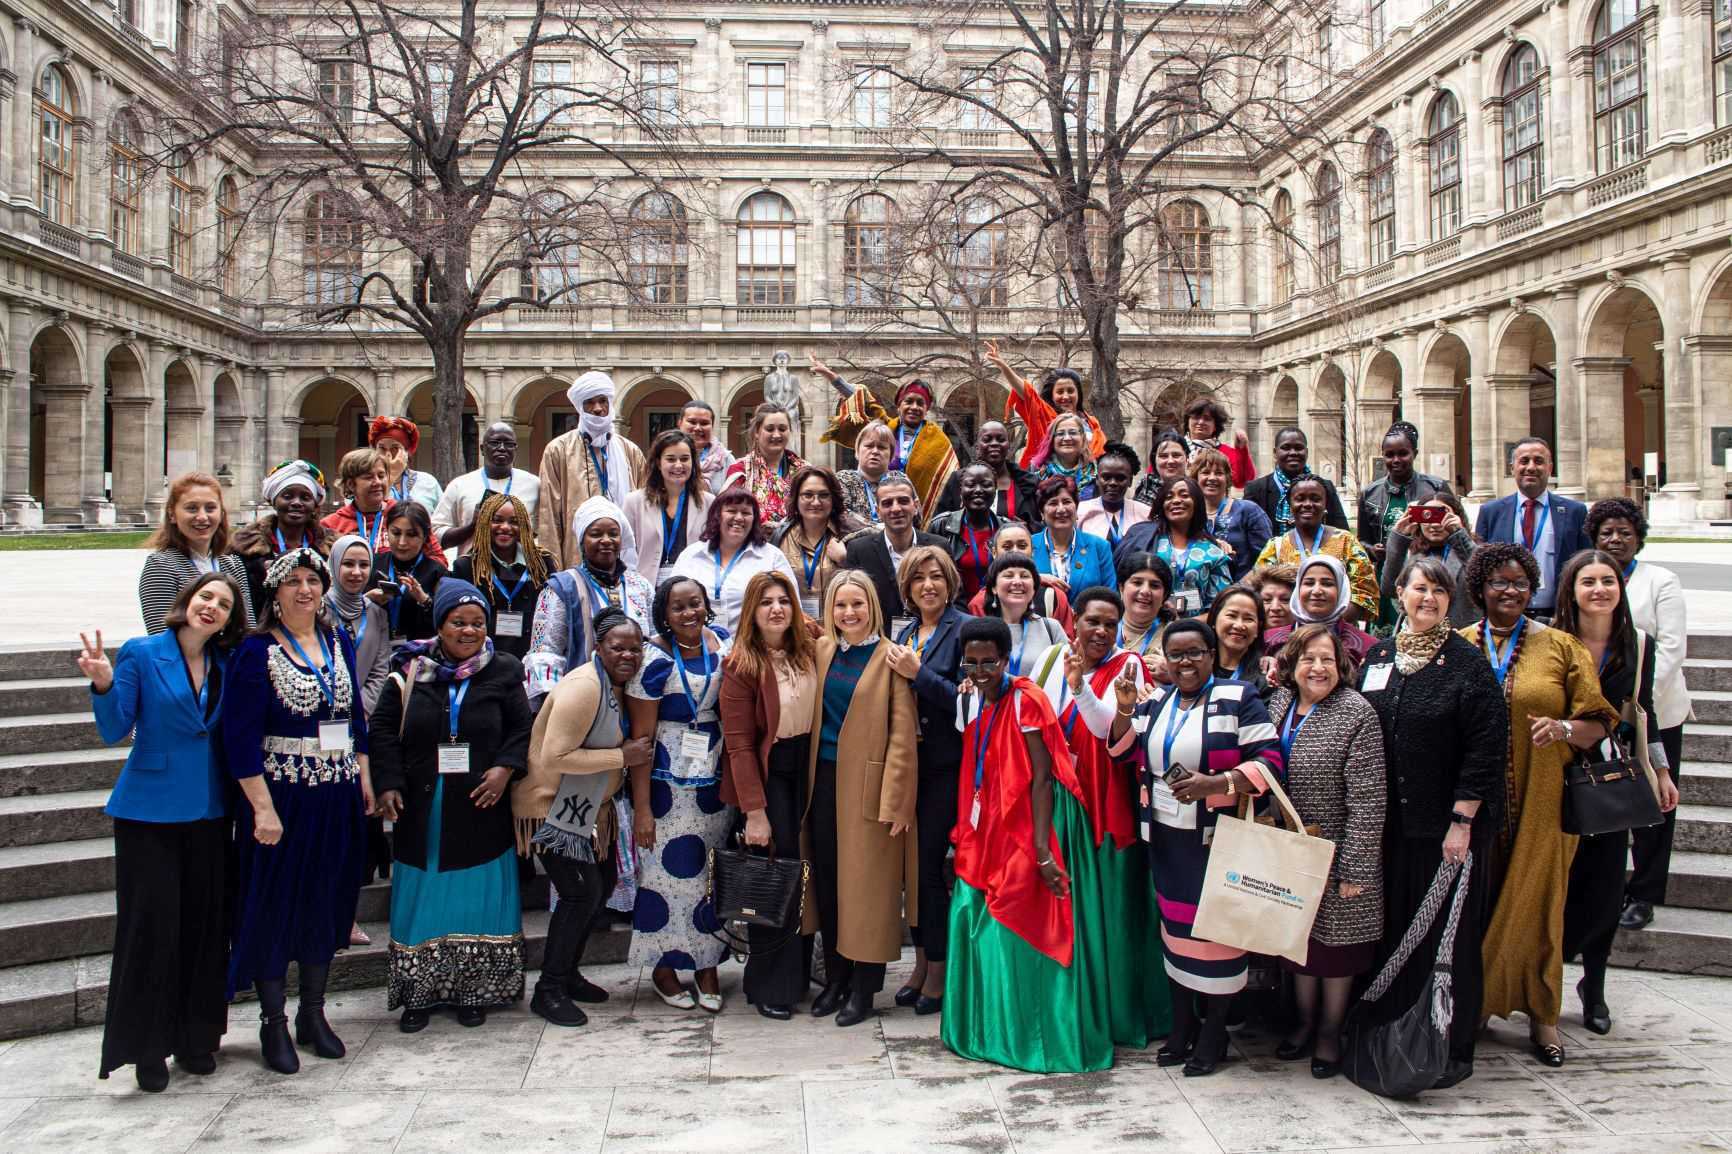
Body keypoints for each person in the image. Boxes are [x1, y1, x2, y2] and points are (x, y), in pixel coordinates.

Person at [84, 574, 246, 1092]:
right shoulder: (142, 652)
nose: (212, 608)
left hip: (209, 811)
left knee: (204, 929)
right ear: (186, 601)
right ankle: (146, 1048)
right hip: (149, 814)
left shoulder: (224, 664)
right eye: (206, 598)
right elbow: (115, 730)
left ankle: (196, 1038)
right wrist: (104, 683)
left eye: (223, 604)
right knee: (152, 932)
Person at [1462, 541, 1617, 1067]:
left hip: (1543, 801)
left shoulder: (1561, 648)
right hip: (1477, 805)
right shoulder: (1460, 646)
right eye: (1498, 582)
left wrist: (1566, 727)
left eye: (1520, 582)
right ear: (1479, 588)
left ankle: (1544, 1015)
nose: (1510, 591)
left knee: (1541, 903)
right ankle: (1479, 1003)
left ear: (1534, 587)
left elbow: (1600, 720)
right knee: (1480, 905)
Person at [1356, 554, 1507, 1087]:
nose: (1428, 598)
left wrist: (1463, 820)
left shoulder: (1468, 665)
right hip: (1388, 829)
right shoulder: (1380, 655)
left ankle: (1447, 1045)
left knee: (1447, 937)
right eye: (1419, 588)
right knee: (1395, 930)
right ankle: (1390, 1033)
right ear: (1400, 592)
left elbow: (1486, 750)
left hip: (1444, 831)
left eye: (1439, 590)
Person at [1108, 618, 1282, 1077]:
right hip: (1166, 838)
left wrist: (1218, 783)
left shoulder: (1238, 697)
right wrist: (1125, 710)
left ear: (1211, 655)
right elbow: (1122, 752)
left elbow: (1270, 760)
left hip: (1216, 840)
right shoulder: (1157, 701)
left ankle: (1215, 1032)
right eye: (1176, 654)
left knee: (1219, 938)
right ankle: (1183, 1025)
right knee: (1176, 936)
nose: (1184, 662)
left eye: (1194, 653)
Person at [941, 617, 1116, 1073]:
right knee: (980, 917)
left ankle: (1038, 1037)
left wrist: (1042, 851)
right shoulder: (974, 697)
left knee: (1025, 918)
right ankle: (995, 1029)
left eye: (990, 662)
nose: (981, 671)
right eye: (972, 663)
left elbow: (1042, 778)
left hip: (1037, 822)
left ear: (1006, 659)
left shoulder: (1026, 700)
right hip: (997, 816)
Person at [222, 548, 372, 1075]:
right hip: (281, 797)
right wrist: (261, 809)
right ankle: (273, 1021)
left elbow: (355, 718)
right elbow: (238, 740)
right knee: (273, 905)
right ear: (275, 591)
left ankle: (313, 1012)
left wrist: (364, 778)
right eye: (294, 583)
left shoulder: (337, 641)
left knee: (324, 900)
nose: (305, 590)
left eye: (313, 581)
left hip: (335, 792)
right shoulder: (254, 652)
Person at [370, 580, 531, 1031]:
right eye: (458, 622)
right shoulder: (409, 670)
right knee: (424, 898)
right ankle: (419, 995)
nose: (469, 631)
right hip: (423, 806)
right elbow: (382, 731)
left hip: (481, 806)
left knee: (476, 901)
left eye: (478, 623)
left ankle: (472, 992)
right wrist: (387, 784)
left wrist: (504, 769)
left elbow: (522, 728)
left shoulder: (504, 669)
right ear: (439, 624)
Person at [1026, 588, 1170, 1049]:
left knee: (1105, 910)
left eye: (1111, 624)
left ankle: (1112, 1011)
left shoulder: (1129, 665)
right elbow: (1026, 715)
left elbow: (1109, 727)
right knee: (1066, 910)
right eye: (1093, 622)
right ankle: (1065, 1006)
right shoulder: (1050, 659)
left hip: (1104, 802)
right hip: (1058, 801)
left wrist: (1078, 687)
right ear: (1075, 623)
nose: (1102, 632)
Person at [1556, 550, 1679, 1035]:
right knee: (1559, 885)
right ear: (1572, 589)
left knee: (1606, 887)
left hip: (1607, 781)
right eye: (1589, 581)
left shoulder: (1638, 645)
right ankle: (1543, 982)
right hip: (1556, 772)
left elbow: (1643, 714)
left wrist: (1662, 772)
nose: (1600, 590)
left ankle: (1596, 986)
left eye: (1608, 580)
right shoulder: (1553, 641)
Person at [513, 608, 651, 1026]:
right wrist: (621, 757)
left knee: (602, 885)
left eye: (634, 649)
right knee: (580, 893)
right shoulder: (584, 687)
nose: (627, 655)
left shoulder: (614, 683)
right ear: (598, 648)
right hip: (551, 806)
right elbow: (556, 757)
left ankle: (568, 974)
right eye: (617, 648)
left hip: (589, 806)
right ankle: (548, 989)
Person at [1265, 625, 1386, 1078]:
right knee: (1298, 947)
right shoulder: (1279, 704)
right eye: (1309, 659)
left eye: (1328, 660)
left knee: (1336, 953)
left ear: (1343, 666)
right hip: (1286, 850)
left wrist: (1354, 867)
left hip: (1337, 851)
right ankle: (1302, 1023)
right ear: (1292, 665)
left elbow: (1369, 798)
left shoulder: (1356, 712)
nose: (1318, 668)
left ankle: (1330, 1032)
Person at [806, 570, 919, 1027]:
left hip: (869, 786)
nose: (849, 613)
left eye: (857, 604)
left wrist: (897, 801)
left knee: (867, 891)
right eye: (840, 605)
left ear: (872, 605)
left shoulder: (891, 657)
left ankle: (864, 987)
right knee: (830, 884)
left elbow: (903, 736)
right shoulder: (821, 651)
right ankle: (834, 977)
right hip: (824, 781)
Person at [624, 577, 735, 1012]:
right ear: (663, 615)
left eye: (696, 604)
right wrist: (643, 809)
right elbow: (642, 738)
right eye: (678, 607)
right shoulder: (653, 660)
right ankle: (664, 968)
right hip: (666, 787)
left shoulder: (723, 644)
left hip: (713, 781)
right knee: (665, 878)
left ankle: (707, 965)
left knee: (710, 876)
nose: (689, 613)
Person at [1586, 498, 1692, 931]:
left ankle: (1645, 892)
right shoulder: (1588, 577)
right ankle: (1608, 887)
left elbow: (1670, 649)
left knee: (1655, 803)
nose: (1615, 539)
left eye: (1624, 532)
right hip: (1603, 714)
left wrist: (1635, 706)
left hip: (1656, 713)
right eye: (1607, 532)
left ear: (1638, 538)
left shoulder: (1659, 581)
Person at [718, 572, 820, 1019]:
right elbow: (739, 745)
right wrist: (754, 813)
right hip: (770, 773)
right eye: (766, 603)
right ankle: (769, 986)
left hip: (810, 768)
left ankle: (797, 978)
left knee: (806, 876)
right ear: (751, 613)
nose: (777, 609)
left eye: (784, 600)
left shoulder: (810, 644)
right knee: (777, 876)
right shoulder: (742, 665)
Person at [882, 546, 970, 1014]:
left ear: (950, 582)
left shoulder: (964, 630)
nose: (928, 586)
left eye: (936, 577)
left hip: (945, 768)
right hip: (908, 765)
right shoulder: (910, 631)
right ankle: (919, 964)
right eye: (918, 579)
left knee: (931, 870)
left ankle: (938, 971)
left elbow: (968, 704)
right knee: (912, 874)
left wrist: (919, 676)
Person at [525, 495, 656, 704]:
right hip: (580, 701)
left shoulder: (640, 586)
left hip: (637, 700)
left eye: (613, 533)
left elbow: (655, 643)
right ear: (582, 541)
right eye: (596, 534)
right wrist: (559, 707)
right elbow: (546, 653)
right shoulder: (562, 589)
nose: (606, 540)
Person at [814, 358, 959, 518]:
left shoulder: (938, 440)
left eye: (920, 403)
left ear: (926, 409)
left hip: (921, 513)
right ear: (899, 405)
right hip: (877, 506)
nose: (914, 407)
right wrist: (831, 377)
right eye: (908, 401)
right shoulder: (886, 430)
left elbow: (949, 481)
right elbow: (862, 400)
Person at [1472, 437, 1590, 619]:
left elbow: (1586, 565)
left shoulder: (1575, 512)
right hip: (1505, 615)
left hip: (1558, 616)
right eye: (1524, 461)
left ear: (1550, 468)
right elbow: (1479, 569)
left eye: (1539, 461)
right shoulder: (1491, 512)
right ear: (1512, 468)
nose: (1531, 467)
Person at [538, 372, 647, 569]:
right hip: (575, 559)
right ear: (580, 407)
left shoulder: (630, 451)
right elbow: (549, 517)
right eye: (589, 402)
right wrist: (553, 571)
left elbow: (644, 511)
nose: (597, 409)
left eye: (603, 401)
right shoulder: (558, 450)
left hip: (624, 560)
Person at [139, 472, 255, 635]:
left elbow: (246, 628)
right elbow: (161, 635)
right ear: (172, 515)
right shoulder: (161, 565)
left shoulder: (233, 565)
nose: (202, 516)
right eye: (192, 508)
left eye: (210, 508)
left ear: (221, 514)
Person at [1251, 474, 1378, 621]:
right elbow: (1259, 591)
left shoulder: (1346, 542)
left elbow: (1365, 595)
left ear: (1325, 504)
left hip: (1337, 634)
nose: (1307, 504)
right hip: (1289, 633)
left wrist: (1326, 624)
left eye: (1315, 499)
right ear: (1290, 505)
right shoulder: (1275, 546)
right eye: (1300, 499)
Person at [670, 488, 797, 635]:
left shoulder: (772, 557)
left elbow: (793, 606)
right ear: (717, 516)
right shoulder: (691, 555)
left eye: (746, 513)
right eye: (731, 511)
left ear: (754, 519)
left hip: (753, 649)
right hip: (701, 648)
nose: (739, 517)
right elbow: (671, 601)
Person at [451, 493, 556, 661]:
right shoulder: (466, 567)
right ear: (485, 523)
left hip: (531, 659)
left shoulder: (542, 563)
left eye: (514, 522)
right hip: (483, 661)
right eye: (497, 520)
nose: (505, 527)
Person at [232, 460, 335, 619]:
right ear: (274, 501)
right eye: (287, 496)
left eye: (305, 497)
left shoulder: (332, 549)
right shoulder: (244, 549)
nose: (296, 503)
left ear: (314, 504)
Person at [986, 339, 1107, 467]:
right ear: (1052, 395)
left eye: (1070, 391)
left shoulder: (1092, 422)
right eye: (1060, 392)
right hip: (1051, 483)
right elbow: (1027, 392)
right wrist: (1003, 366)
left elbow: (1102, 453)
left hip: (1089, 482)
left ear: (1078, 394)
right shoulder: (1046, 417)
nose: (1065, 396)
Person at [842, 471, 944, 623]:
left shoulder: (939, 546)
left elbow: (955, 598)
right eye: (887, 503)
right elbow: (852, 602)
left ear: (915, 506)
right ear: (878, 511)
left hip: (930, 639)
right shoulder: (859, 550)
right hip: (879, 641)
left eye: (903, 501)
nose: (896, 509)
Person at [323, 447, 451, 565]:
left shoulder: (408, 515)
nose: (377, 482)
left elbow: (439, 562)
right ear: (351, 484)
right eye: (369, 477)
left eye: (381, 476)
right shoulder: (332, 525)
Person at [431, 422, 541, 557]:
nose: (502, 448)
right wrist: (472, 527)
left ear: (515, 449)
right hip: (472, 570)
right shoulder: (460, 485)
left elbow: (545, 532)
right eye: (495, 443)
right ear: (482, 449)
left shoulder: (534, 485)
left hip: (523, 571)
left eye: (509, 444)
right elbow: (435, 536)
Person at [621, 429, 714, 587]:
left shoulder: (709, 502)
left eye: (685, 459)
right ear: (658, 462)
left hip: (692, 590)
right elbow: (625, 551)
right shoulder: (634, 502)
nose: (678, 465)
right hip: (645, 589)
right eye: (670, 459)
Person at [1379, 493, 1478, 630]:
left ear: (1457, 517)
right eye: (1427, 516)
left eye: (1441, 516)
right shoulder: (1410, 553)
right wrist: (1398, 539)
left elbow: (1482, 577)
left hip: (1462, 634)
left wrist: (1460, 535)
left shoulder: (1469, 550)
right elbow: (1389, 589)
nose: (1435, 525)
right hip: (1419, 638)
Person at [1356, 422, 1451, 562]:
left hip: (1430, 569)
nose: (1396, 460)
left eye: (1403, 454)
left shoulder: (1436, 487)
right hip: (1386, 572)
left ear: (1415, 453)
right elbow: (1362, 540)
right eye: (1389, 455)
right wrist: (1372, 550)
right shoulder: (1370, 493)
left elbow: (1454, 528)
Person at [1139, 476, 1232, 617]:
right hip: (1147, 628)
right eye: (1169, 497)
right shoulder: (1147, 541)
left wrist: (1186, 627)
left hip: (1194, 632)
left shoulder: (1213, 553)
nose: (1176, 501)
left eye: (1184, 495)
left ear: (1197, 502)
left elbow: (1221, 608)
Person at [771, 465, 856, 618]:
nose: (816, 502)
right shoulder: (780, 537)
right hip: (794, 630)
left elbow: (867, 585)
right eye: (807, 495)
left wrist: (846, 560)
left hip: (841, 628)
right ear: (796, 498)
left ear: (833, 499)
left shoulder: (851, 535)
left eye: (823, 495)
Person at [965, 522, 1078, 634]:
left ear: (1033, 551)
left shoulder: (1054, 597)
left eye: (1022, 546)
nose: (1015, 551)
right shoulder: (979, 603)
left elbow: (1066, 648)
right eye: (1007, 547)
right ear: (994, 553)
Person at [1264, 554, 1378, 665]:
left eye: (1327, 584)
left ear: (1341, 591)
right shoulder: (1269, 641)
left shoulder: (1367, 646)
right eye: (1309, 583)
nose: (1317, 591)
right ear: (1298, 589)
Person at [325, 534, 392, 716]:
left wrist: (359, 711)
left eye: (363, 565)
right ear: (334, 564)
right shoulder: (318, 610)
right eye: (348, 564)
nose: (356, 572)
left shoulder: (377, 614)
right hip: (321, 712)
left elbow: (379, 671)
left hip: (362, 717)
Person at [1243, 427, 1349, 534]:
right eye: (1286, 448)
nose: (1293, 453)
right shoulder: (1255, 489)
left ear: (1306, 452)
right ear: (1275, 452)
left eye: (1299, 448)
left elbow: (1341, 532)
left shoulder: (1325, 487)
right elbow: (1246, 533)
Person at [980, 552, 1071, 677]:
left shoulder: (1051, 627)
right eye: (1008, 575)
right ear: (994, 587)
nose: (1017, 582)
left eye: (1024, 576)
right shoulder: (981, 630)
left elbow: (1069, 674)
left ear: (1034, 588)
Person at [934, 419, 1040, 525]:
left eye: (1001, 439)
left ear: (1008, 445)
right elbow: (941, 523)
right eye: (987, 439)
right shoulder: (958, 479)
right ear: (977, 447)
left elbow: (1042, 525)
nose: (994, 443)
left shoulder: (1027, 483)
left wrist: (1028, 528)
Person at [369, 500, 448, 644]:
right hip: (374, 651)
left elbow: (447, 622)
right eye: (396, 533)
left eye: (411, 535)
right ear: (387, 531)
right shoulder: (372, 564)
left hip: (419, 655)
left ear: (424, 536)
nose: (402, 542)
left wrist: (425, 601)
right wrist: (367, 600)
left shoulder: (437, 572)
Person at [1191, 447, 1273, 583]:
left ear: (1227, 478)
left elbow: (1268, 559)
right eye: (1205, 472)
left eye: (1219, 473)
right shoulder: (1190, 516)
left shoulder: (1249, 511)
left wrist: (1238, 590)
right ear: (1196, 477)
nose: (1212, 478)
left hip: (1242, 595)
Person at [925, 463, 1002, 605]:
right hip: (955, 612)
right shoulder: (941, 527)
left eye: (986, 485)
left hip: (998, 609)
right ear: (960, 490)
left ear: (995, 489)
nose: (978, 490)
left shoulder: (1006, 529)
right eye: (971, 485)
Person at [1031, 475, 1116, 599]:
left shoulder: (1099, 547)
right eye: (1053, 503)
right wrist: (1037, 578)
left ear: (1076, 508)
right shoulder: (1028, 545)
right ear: (1041, 513)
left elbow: (1111, 597)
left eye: (1066, 502)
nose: (1061, 509)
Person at [723, 402, 806, 525]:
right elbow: (729, 514)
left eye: (782, 429)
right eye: (770, 429)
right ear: (757, 432)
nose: (777, 434)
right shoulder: (740, 471)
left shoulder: (804, 471)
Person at [1077, 443, 1152, 551]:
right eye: (1106, 477)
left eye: (1120, 478)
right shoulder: (1081, 511)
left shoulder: (1145, 513)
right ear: (1097, 479)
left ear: (1130, 481)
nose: (1113, 483)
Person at [367, 415, 444, 512]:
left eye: (395, 448)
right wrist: (391, 476)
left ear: (407, 452)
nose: (387, 454)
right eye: (381, 448)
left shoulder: (427, 482)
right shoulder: (365, 481)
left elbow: (441, 520)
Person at [1206, 584, 1269, 695]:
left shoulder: (1266, 678)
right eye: (1231, 615)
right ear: (1214, 619)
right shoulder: (1196, 666)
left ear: (1258, 628)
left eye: (1248, 619)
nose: (1239, 625)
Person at [1181, 395, 1256, 487]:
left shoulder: (1226, 453)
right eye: (1196, 417)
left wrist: (1242, 450)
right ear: (1188, 421)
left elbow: (1242, 482)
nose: (1200, 422)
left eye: (1207, 419)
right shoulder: (1178, 448)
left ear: (1215, 426)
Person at [1115, 552, 1174, 667]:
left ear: (1165, 594)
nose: (1145, 591)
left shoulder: (1175, 636)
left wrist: (1172, 674)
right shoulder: (1104, 629)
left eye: (1154, 585)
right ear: (1121, 588)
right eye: (1137, 583)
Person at [836, 420, 896, 523]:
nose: (875, 451)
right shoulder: (842, 480)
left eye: (881, 447)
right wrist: (876, 529)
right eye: (869, 446)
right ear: (857, 451)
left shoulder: (900, 480)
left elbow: (915, 517)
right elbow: (842, 515)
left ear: (891, 455)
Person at [1033, 412, 1099, 501]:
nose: (1067, 438)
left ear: (1083, 438)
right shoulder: (1037, 470)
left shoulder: (1096, 471)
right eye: (1060, 434)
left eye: (1073, 433)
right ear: (1052, 439)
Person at [681, 400, 736, 495]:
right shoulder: (668, 457)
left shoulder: (726, 459)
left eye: (704, 423)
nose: (697, 428)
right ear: (680, 423)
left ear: (712, 426)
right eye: (692, 422)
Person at [1130, 431, 1192, 506]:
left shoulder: (1194, 488)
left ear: (1187, 458)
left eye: (1176, 455)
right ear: (1154, 460)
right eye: (1164, 456)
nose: (1170, 461)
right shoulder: (1145, 487)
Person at [1250, 562, 1298, 634]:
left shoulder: (1310, 642)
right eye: (1267, 600)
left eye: (1285, 600)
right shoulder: (1244, 641)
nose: (1275, 608)